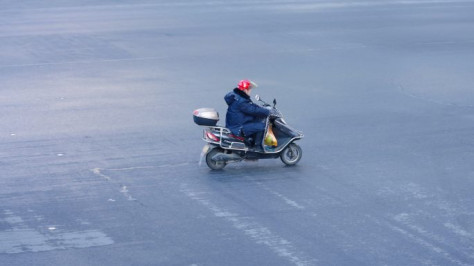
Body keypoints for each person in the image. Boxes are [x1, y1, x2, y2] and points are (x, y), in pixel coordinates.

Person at [224, 80, 270, 151]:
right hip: (238, 128)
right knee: (263, 127)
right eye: (249, 89)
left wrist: (261, 108)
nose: (250, 91)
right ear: (245, 90)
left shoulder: (237, 96)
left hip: (234, 124)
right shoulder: (241, 101)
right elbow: (252, 110)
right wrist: (267, 112)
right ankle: (257, 148)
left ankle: (250, 141)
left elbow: (251, 106)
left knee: (256, 121)